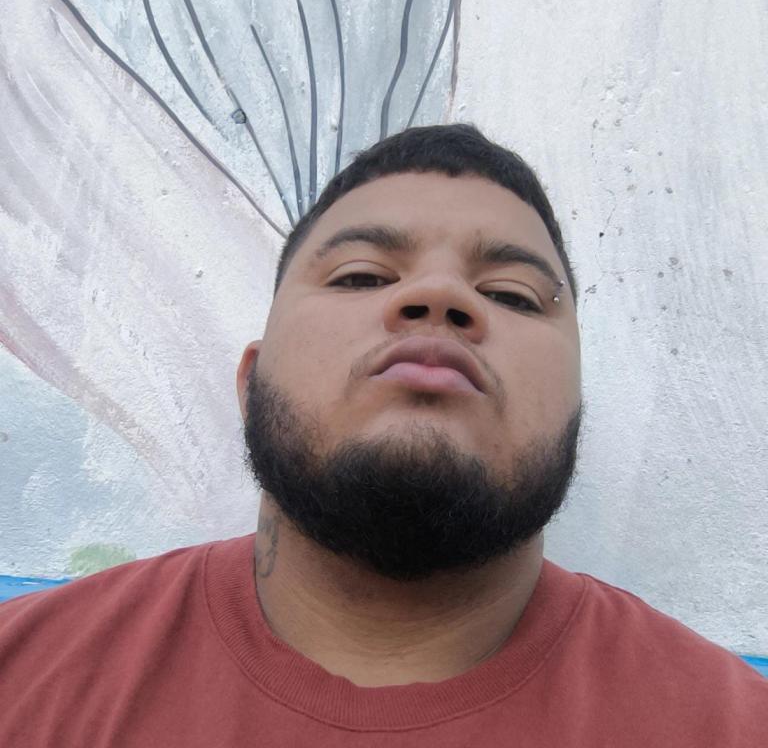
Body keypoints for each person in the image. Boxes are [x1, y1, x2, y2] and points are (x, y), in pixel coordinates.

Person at [0, 124, 765, 746]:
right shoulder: (22, 674)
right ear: (251, 384)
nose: (440, 294)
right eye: (362, 275)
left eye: (511, 295)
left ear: (574, 412)